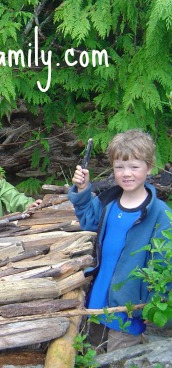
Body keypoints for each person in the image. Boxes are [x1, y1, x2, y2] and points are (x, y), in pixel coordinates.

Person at [68, 129, 171, 352]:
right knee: (90, 356)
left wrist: (156, 307)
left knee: (119, 360)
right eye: (119, 167)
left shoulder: (159, 214)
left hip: (128, 312)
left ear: (150, 167)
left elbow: (164, 266)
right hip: (95, 306)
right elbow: (89, 220)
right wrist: (84, 189)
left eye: (134, 167)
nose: (127, 173)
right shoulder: (110, 203)